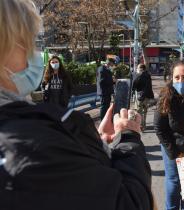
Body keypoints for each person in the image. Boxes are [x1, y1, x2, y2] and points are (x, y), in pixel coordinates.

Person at [0, 1, 154, 210]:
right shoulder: (33, 144)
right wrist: (128, 137)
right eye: (28, 42)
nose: (34, 52)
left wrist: (90, 147)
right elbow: (130, 203)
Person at [154, 60, 184, 210]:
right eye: (177, 77)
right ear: (172, 79)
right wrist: (175, 153)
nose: (181, 81)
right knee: (174, 182)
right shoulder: (165, 96)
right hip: (172, 144)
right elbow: (159, 128)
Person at [132, 64, 155, 130]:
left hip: (140, 96)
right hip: (147, 96)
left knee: (139, 112)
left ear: (141, 68)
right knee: (145, 111)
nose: (137, 69)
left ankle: (140, 126)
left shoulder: (139, 75)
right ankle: (144, 125)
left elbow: (134, 85)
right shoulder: (148, 75)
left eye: (138, 68)